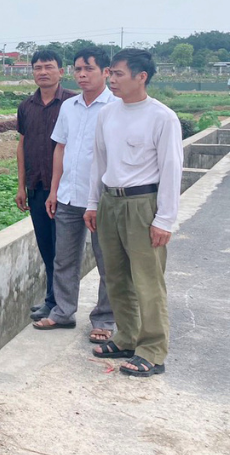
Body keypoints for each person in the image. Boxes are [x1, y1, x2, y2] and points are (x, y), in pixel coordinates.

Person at [85, 49, 182, 378]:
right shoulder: (107, 115)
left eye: (119, 74)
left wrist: (165, 219)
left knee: (148, 280)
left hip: (143, 204)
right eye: (110, 73)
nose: (111, 79)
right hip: (111, 201)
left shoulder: (162, 117)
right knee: (115, 275)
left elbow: (171, 169)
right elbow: (98, 161)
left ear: (142, 77)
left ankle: (153, 350)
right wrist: (93, 203)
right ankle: (127, 336)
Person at [33, 47, 117, 341]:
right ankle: (63, 312)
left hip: (104, 199)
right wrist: (54, 190)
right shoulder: (69, 107)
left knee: (107, 260)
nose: (81, 75)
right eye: (78, 69)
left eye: (88, 69)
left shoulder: (116, 107)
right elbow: (61, 148)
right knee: (63, 259)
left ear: (105, 72)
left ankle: (104, 320)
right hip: (69, 196)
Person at [16, 50, 77, 322]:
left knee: (63, 250)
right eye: (37, 67)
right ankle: (52, 299)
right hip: (37, 185)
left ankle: (57, 303)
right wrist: (21, 186)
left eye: (49, 67)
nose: (43, 72)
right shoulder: (26, 106)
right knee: (46, 247)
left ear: (60, 71)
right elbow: (22, 145)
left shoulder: (74, 103)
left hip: (66, 190)